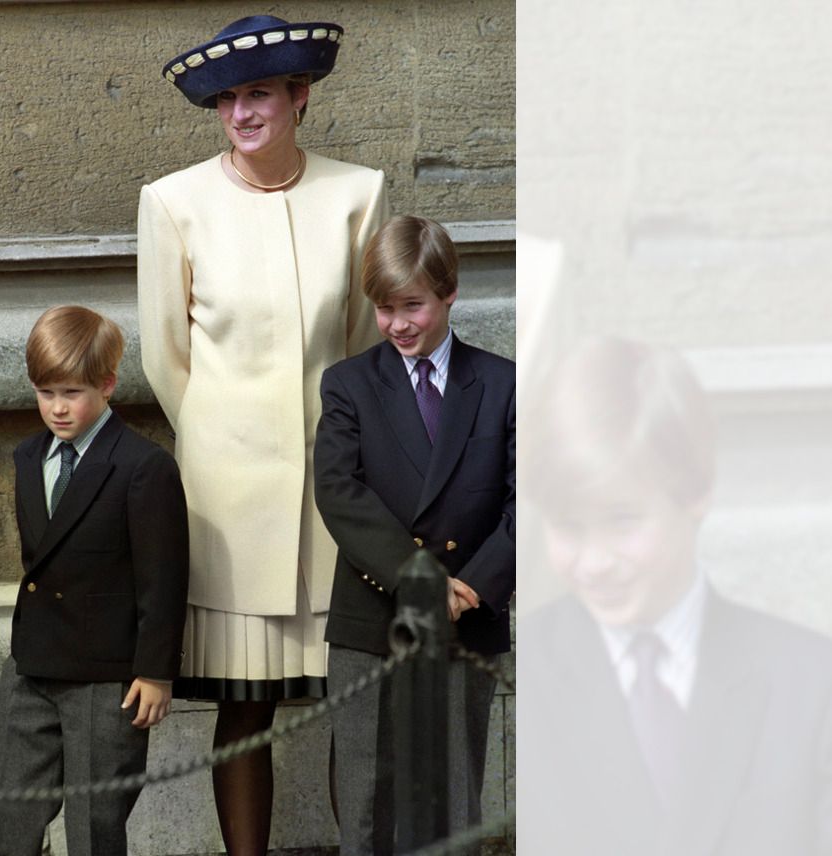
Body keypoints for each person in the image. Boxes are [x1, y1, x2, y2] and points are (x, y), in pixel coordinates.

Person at [137, 14, 389, 854]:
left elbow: (362, 342)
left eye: (259, 95)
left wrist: (342, 448)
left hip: (335, 490)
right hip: (227, 499)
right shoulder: (174, 202)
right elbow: (166, 355)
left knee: (351, 702)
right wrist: (222, 440)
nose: (241, 114)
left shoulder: (359, 192)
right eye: (227, 100)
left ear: (298, 96)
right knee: (245, 707)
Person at [520, 337, 832, 856]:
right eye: (567, 526)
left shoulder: (807, 679)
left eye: (621, 521)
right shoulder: (523, 673)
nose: (594, 561)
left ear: (697, 492)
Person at [313, 215, 516, 854]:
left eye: (413, 306)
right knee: (368, 799)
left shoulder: (504, 384)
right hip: (373, 619)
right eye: (384, 308)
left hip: (467, 619)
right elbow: (339, 492)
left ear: (449, 292)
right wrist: (421, 580)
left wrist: (471, 588)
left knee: (454, 802)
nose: (398, 323)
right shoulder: (348, 384)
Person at [0, 306, 190, 856]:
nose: (57, 408)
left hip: (107, 676)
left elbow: (162, 579)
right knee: (4, 809)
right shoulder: (29, 457)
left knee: (95, 827)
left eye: (71, 392)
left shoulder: (144, 466)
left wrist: (155, 672)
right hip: (33, 665)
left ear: (108, 383)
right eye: (45, 393)